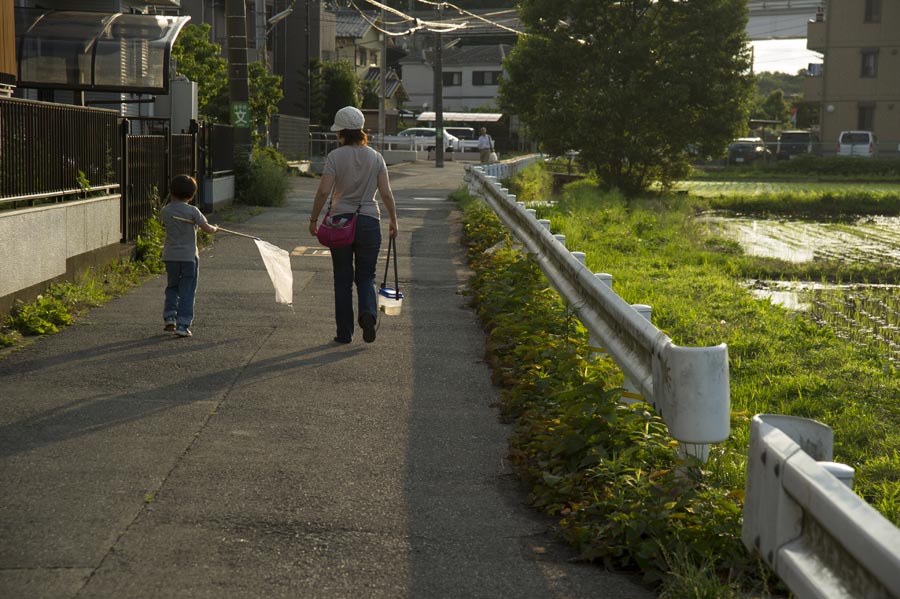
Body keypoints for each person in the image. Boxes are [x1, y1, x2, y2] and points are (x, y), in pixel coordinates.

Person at [309, 106, 399, 344]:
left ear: (341, 132)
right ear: (360, 131)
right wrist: (393, 220)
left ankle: (344, 333)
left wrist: (313, 219)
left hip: (341, 222)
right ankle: (368, 314)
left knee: (342, 278)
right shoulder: (376, 157)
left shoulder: (334, 157)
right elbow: (387, 194)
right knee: (366, 276)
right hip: (369, 221)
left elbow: (323, 191)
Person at [160, 174, 218, 337]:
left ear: (171, 191)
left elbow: (165, 224)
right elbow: (207, 229)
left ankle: (170, 316)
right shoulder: (193, 211)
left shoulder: (166, 210)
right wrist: (215, 228)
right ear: (192, 195)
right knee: (187, 290)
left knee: (172, 287)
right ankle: (183, 324)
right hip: (188, 258)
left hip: (170, 256)